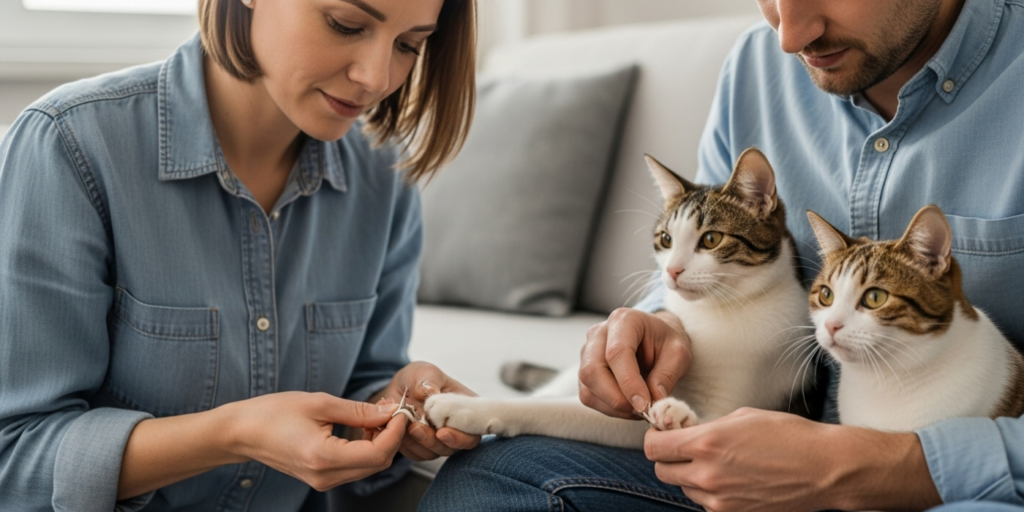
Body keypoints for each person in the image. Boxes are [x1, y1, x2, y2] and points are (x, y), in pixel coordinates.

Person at [419, 0, 1024, 510]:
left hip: (957, 481)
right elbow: (700, 254)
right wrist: (661, 324)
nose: (789, 35)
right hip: (744, 449)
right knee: (489, 477)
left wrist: (895, 466)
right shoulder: (758, 68)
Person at [0, 0, 481, 510]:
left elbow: (363, 381)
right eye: (345, 24)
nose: (376, 76)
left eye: (409, 45)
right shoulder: (72, 145)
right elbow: (14, 455)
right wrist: (231, 434)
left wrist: (394, 405)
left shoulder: (384, 176)